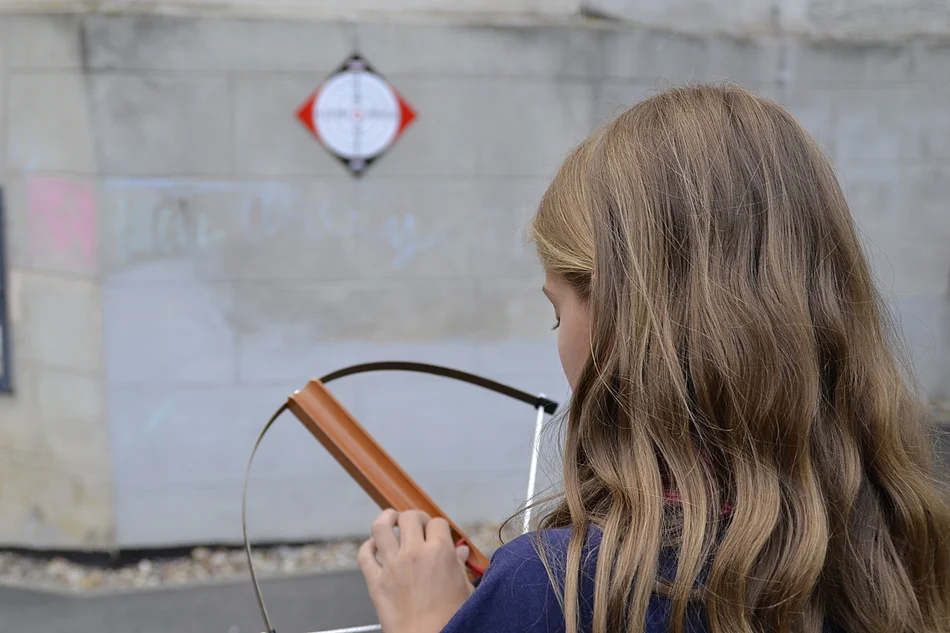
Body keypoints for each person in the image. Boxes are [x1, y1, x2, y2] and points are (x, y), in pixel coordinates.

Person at [355, 83, 950, 633]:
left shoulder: (556, 590)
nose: (559, 336)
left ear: (621, 319)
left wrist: (426, 621)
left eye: (557, 313)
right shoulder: (903, 546)